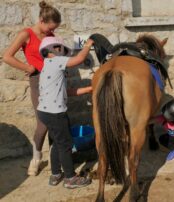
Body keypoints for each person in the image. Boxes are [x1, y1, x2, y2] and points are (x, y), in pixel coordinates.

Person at [3, 1, 61, 176]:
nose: (49, 32)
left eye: (53, 29)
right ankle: (36, 158)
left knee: (59, 117)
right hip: (38, 81)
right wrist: (27, 68)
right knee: (43, 121)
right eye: (47, 29)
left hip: (55, 80)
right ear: (41, 20)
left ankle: (57, 158)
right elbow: (7, 56)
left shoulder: (51, 34)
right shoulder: (26, 34)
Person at [37, 36, 93, 188]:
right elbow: (79, 59)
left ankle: (56, 174)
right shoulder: (55, 61)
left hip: (44, 112)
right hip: (56, 113)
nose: (62, 52)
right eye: (61, 48)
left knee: (57, 142)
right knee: (66, 144)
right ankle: (70, 178)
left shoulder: (46, 66)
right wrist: (87, 45)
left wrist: (88, 89)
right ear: (54, 49)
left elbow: (66, 91)